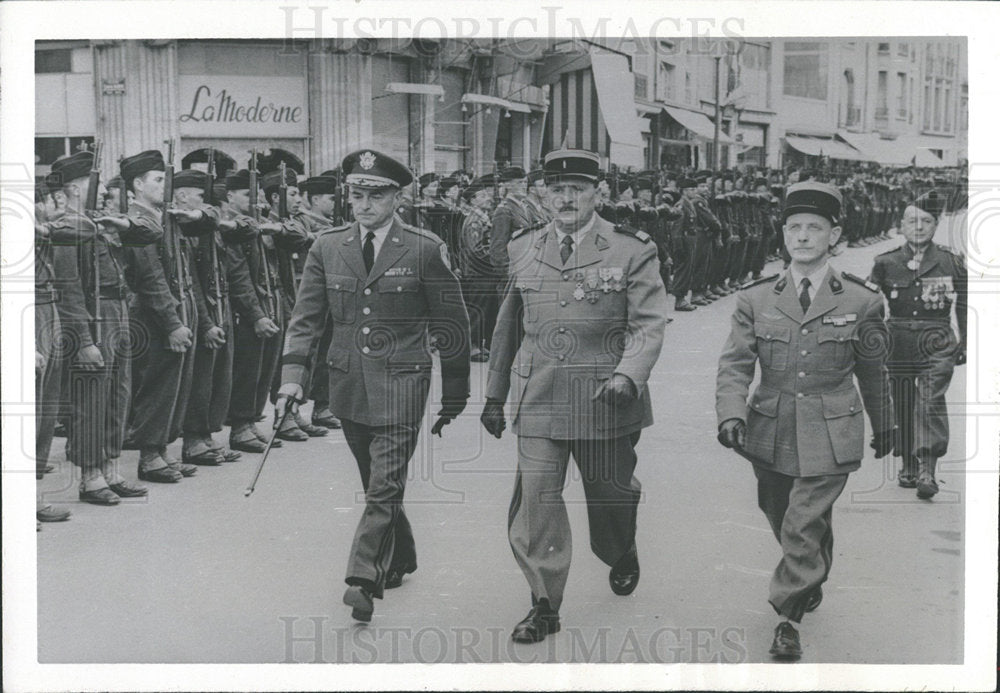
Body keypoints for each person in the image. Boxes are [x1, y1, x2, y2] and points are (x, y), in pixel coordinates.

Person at [481, 148, 669, 644]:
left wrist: (629, 376)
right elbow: (508, 326)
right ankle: (544, 603)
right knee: (536, 502)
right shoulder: (523, 245)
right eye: (557, 188)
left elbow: (648, 324)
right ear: (544, 192)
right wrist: (495, 394)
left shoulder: (631, 248)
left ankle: (620, 547)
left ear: (598, 193)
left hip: (605, 398)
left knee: (611, 496)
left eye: (578, 189)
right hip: (539, 396)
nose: (566, 198)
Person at [277, 149, 471, 623]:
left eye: (374, 195)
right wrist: (291, 382)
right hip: (346, 382)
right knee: (374, 481)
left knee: (384, 483)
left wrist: (455, 391)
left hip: (403, 381)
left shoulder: (423, 248)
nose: (363, 204)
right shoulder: (328, 246)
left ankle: (363, 577)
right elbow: (306, 321)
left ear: (396, 197)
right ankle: (401, 553)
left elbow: (452, 321)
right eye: (356, 194)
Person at [715, 181, 895, 660]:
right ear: (783, 234)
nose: (802, 236)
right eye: (794, 227)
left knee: (801, 521)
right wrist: (731, 413)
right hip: (769, 426)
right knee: (781, 513)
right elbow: (735, 364)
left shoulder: (862, 300)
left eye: (814, 228)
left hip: (833, 426)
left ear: (834, 235)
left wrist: (888, 424)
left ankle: (786, 617)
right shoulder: (755, 298)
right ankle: (813, 564)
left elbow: (874, 371)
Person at [48, 150, 162, 502]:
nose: (99, 190)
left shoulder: (101, 222)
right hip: (92, 317)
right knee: (91, 400)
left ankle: (112, 468)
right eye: (89, 182)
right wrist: (83, 340)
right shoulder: (66, 228)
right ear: (74, 189)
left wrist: (121, 223)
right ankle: (91, 475)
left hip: (117, 312)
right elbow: (68, 289)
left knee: (118, 394)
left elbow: (152, 231)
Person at [123, 151, 215, 482]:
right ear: (137, 184)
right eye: (158, 180)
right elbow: (151, 278)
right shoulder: (138, 220)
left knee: (173, 384)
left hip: (172, 312)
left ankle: (160, 450)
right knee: (157, 386)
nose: (165, 186)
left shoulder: (165, 217)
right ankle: (149, 456)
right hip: (152, 316)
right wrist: (173, 323)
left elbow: (185, 268)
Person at [868, 190, 967, 499]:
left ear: (936, 225)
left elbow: (964, 301)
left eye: (926, 221)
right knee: (903, 401)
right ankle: (908, 464)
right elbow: (870, 304)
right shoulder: (885, 262)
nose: (919, 227)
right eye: (912, 221)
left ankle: (928, 468)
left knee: (930, 399)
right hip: (896, 340)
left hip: (936, 339)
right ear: (902, 225)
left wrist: (966, 339)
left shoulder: (950, 261)